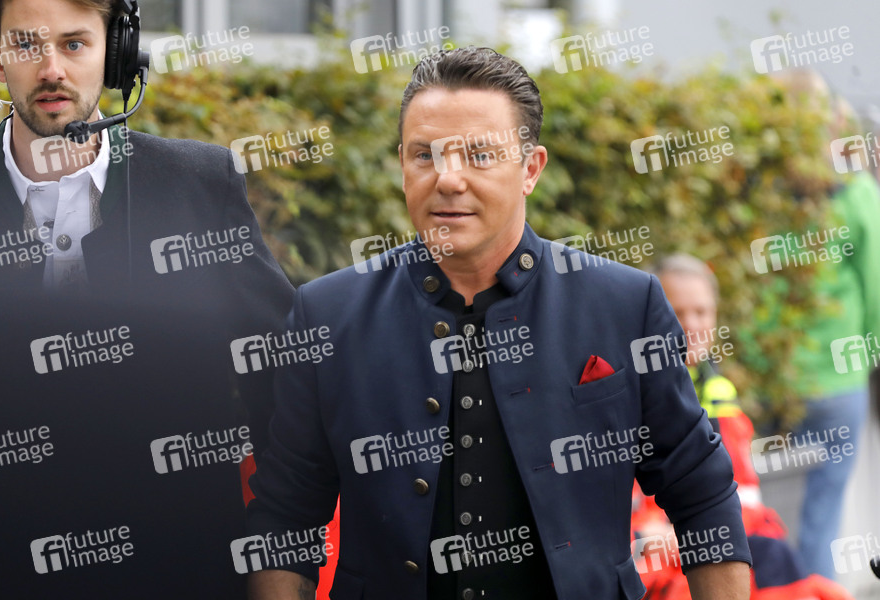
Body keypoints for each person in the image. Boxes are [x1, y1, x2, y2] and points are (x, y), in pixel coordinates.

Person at [246, 47, 752, 600]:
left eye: (479, 154)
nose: (448, 179)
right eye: (424, 154)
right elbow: (286, 515)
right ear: (402, 164)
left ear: (530, 169)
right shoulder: (328, 315)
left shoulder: (625, 305)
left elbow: (701, 490)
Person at [0, 0, 293, 597]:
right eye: (27, 45)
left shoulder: (201, 186)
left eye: (74, 44)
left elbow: (285, 389)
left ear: (116, 53)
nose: (51, 69)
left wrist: (279, 562)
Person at [632, 254, 853, 600]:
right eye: (678, 312)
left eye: (702, 312)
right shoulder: (631, 394)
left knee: (802, 578)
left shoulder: (719, 390)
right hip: (662, 555)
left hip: (720, 542)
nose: (691, 324)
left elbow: (744, 494)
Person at [772, 69, 880, 580]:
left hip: (769, 378)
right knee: (821, 514)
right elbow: (876, 287)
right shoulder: (855, 193)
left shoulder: (758, 195)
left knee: (759, 507)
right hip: (837, 378)